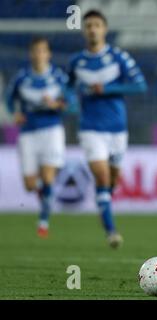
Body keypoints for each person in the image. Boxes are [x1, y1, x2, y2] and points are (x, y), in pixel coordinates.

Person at [68, 10, 148, 248]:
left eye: (97, 25)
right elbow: (67, 91)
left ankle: (104, 202)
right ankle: (111, 231)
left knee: (111, 181)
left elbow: (140, 86)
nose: (92, 29)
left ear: (104, 29)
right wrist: (68, 104)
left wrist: (108, 88)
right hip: (90, 129)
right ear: (84, 30)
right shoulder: (76, 62)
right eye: (89, 25)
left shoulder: (118, 57)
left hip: (117, 129)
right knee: (102, 177)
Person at [5, 37, 71, 238]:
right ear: (30, 54)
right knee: (30, 185)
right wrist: (13, 113)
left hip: (51, 130)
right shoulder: (22, 78)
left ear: (48, 54)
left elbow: (71, 103)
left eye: (42, 51)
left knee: (48, 177)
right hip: (28, 133)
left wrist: (56, 105)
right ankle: (45, 192)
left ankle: (43, 221)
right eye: (35, 51)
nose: (38, 54)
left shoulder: (58, 77)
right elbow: (8, 99)